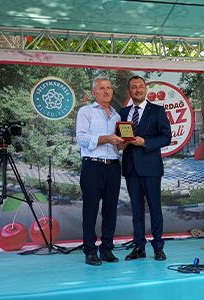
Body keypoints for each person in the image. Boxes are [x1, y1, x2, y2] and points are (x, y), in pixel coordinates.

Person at [117, 76, 173, 262]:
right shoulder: (123, 112)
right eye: (134, 87)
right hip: (131, 168)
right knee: (137, 210)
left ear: (145, 89)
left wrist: (145, 142)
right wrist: (120, 145)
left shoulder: (157, 110)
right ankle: (139, 247)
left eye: (141, 86)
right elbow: (119, 136)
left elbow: (166, 137)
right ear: (129, 91)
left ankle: (158, 247)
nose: (138, 90)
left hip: (151, 167)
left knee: (155, 209)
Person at [75, 77, 127, 266]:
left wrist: (122, 144)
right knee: (90, 209)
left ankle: (106, 249)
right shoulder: (86, 111)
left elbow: (118, 145)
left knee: (111, 210)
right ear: (94, 93)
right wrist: (107, 138)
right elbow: (81, 138)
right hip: (93, 165)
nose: (106, 91)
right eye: (101, 88)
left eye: (109, 88)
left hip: (113, 165)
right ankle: (90, 251)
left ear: (112, 92)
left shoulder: (117, 116)